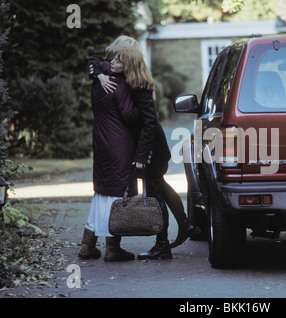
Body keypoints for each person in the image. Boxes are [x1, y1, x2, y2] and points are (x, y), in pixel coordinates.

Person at [88, 36, 200, 252]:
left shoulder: (139, 84)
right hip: (145, 145)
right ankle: (185, 225)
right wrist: (100, 74)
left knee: (156, 191)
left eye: (118, 59)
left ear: (128, 60)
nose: (112, 61)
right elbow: (94, 59)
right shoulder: (126, 75)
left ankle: (163, 243)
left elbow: (149, 123)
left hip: (151, 146)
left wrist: (141, 155)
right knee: (159, 186)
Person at [78, 48, 141, 262]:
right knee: (117, 192)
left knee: (102, 192)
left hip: (101, 140)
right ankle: (113, 248)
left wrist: (99, 73)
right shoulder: (119, 83)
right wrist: (143, 105)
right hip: (119, 143)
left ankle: (88, 245)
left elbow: (92, 59)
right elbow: (129, 115)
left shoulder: (98, 79)